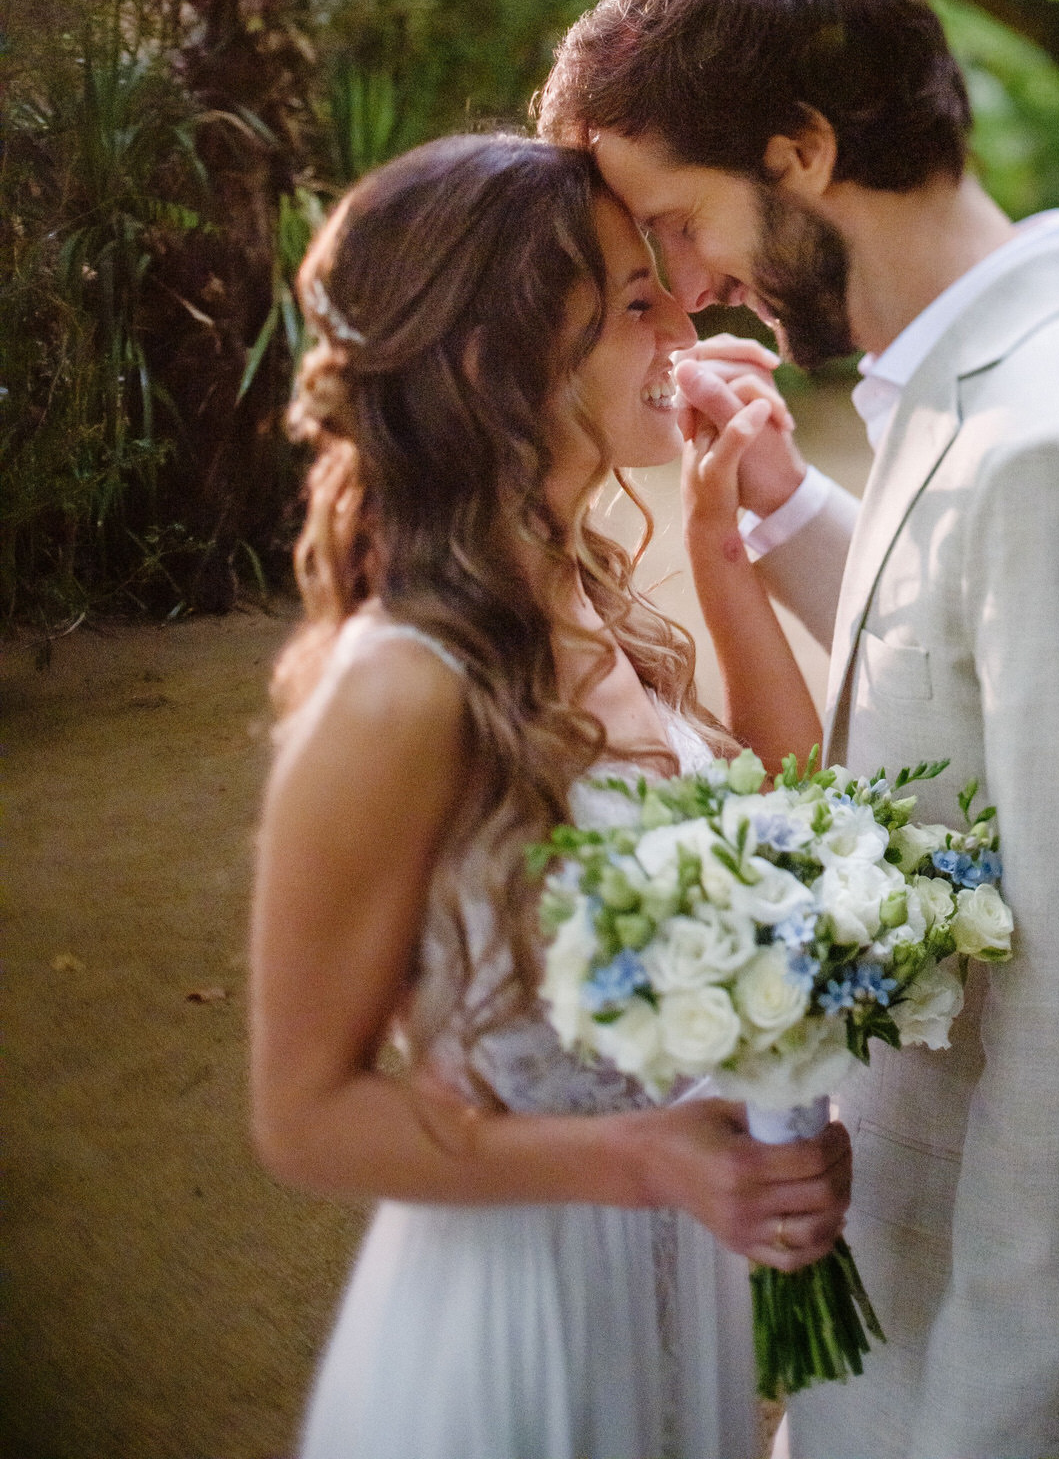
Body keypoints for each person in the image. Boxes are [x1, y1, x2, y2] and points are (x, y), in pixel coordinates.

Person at [538, 0, 1059, 1459]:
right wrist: (789, 511)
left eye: (676, 221)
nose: (681, 287)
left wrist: (998, 1422)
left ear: (799, 152)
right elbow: (967, 673)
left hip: (1043, 1369)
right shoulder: (988, 390)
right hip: (915, 1291)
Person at [249, 132, 851, 1459]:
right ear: (495, 361)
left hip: (665, 1290)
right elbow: (301, 1116)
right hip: (514, 1327)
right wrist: (647, 1160)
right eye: (636, 301)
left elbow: (788, 828)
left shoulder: (582, 594)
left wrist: (723, 545)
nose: (687, 318)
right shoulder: (401, 688)